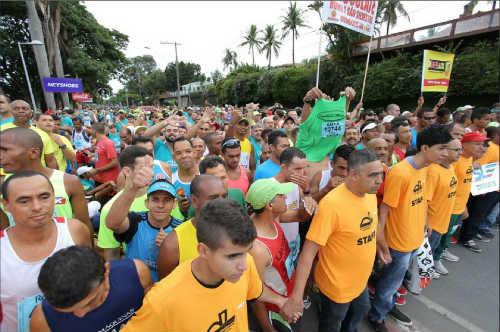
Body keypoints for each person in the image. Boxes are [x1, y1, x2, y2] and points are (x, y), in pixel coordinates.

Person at [124, 199, 300, 331]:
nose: (243, 266)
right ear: (203, 250)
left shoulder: (245, 263)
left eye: (246, 251)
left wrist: (280, 300)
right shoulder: (162, 300)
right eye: (232, 256)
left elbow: (256, 289)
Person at [282, 150, 383, 332]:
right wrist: (297, 297)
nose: (379, 181)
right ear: (353, 175)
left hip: (360, 281)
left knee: (360, 310)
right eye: (373, 175)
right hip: (336, 286)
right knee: (332, 322)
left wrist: (381, 247)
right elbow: (308, 254)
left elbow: (370, 230)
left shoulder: (370, 194)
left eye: (381, 174)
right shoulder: (331, 205)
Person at [368, 125, 452, 331]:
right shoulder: (400, 173)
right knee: (389, 283)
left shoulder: (426, 169)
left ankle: (386, 306)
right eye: (442, 148)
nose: (446, 153)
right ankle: (377, 316)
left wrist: (425, 223)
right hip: (398, 243)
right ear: (425, 148)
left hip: (415, 238)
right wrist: (382, 243)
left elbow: (421, 199)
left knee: (396, 282)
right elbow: (384, 211)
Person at [0, 171, 91, 332]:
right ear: (6, 204)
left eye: (44, 197)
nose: (37, 207)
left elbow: (92, 279)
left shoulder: (75, 230)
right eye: (24, 201)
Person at [29, 246, 152, 332]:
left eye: (90, 302)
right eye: (68, 311)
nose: (80, 314)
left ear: (106, 271)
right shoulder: (42, 319)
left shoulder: (136, 274)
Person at [0, 128, 92, 233]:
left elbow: (84, 224)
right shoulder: (3, 185)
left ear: (33, 152)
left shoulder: (68, 182)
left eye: (5, 150)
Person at [106, 155, 181, 281]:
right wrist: (132, 188)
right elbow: (112, 224)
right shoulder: (136, 220)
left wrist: (170, 247)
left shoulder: (180, 228)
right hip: (135, 287)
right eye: (155, 199)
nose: (160, 205)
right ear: (147, 203)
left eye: (166, 200)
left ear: (174, 204)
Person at [246, 179, 297, 331]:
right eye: (281, 195)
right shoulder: (257, 249)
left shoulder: (272, 219)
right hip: (274, 312)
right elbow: (256, 293)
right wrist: (268, 328)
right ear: (269, 205)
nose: (286, 197)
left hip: (287, 300)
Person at [156, 175, 227, 279]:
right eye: (213, 198)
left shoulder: (236, 233)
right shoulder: (173, 244)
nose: (222, 203)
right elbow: (165, 289)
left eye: (225, 196)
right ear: (194, 201)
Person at [97, 147, 153, 260]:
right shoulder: (110, 209)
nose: (150, 172)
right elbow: (112, 254)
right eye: (144, 168)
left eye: (152, 167)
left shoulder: (164, 196)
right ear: (127, 171)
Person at [425, 138, 461, 276]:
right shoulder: (433, 171)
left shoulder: (451, 168)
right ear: (445, 151)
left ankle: (429, 269)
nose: (460, 152)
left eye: (460, 149)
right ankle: (420, 275)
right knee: (426, 252)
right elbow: (426, 201)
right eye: (456, 150)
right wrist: (427, 222)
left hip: (443, 220)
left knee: (434, 248)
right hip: (432, 224)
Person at [274, 148, 317, 255]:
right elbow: (302, 215)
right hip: (278, 248)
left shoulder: (296, 184)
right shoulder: (271, 188)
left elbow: (308, 205)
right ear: (284, 167)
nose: (302, 173)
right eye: (297, 168)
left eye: (304, 168)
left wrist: (306, 190)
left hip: (293, 244)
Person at [459, 132, 493, 252]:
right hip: (453, 207)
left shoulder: (469, 160)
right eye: (477, 144)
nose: (482, 147)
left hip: (461, 204)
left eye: (482, 144)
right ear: (464, 145)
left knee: (448, 233)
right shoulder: (456, 162)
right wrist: (462, 206)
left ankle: (441, 253)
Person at [0, 100, 58, 169]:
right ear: (11, 112)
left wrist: (54, 178)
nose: (21, 111)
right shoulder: (2, 130)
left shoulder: (42, 134)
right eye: (16, 109)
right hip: (8, 176)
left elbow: (50, 160)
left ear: (31, 113)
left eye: (25, 108)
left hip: (37, 176)